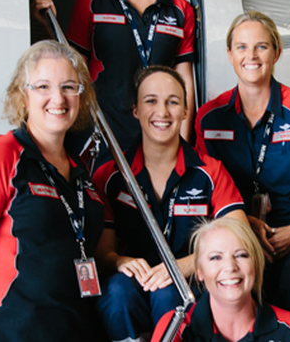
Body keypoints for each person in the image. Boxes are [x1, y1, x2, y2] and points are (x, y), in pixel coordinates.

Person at [0, 40, 108, 341]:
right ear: (23, 95)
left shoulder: (82, 172)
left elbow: (97, 253)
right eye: (43, 86)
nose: (58, 97)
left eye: (69, 86)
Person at [195, 12, 290, 338]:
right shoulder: (209, 119)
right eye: (241, 47)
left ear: (276, 53)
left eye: (261, 47)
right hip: (246, 229)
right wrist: (243, 224)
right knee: (227, 292)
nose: (250, 56)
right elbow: (207, 191)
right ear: (229, 55)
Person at [95, 66, 249, 342]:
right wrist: (120, 261)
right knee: (117, 289)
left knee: (169, 291)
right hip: (134, 289)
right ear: (136, 110)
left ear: (185, 111)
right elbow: (102, 251)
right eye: (151, 101)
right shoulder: (110, 175)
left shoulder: (210, 172)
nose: (163, 112)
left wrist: (184, 266)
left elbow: (240, 238)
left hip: (191, 285)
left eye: (173, 102)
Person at [33, 0, 198, 153]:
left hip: (157, 135)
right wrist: (49, 26)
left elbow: (184, 83)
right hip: (100, 132)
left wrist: (182, 147)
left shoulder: (180, 10)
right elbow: (72, 69)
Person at [150, 218, 290, 342]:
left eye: (241, 255)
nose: (230, 267)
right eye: (215, 258)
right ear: (199, 271)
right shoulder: (175, 327)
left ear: (256, 265)